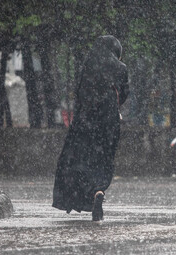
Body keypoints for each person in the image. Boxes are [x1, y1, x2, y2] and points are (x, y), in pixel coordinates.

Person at [52, 35, 129, 221]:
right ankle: (99, 190)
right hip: (109, 121)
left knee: (82, 158)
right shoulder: (121, 68)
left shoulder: (88, 65)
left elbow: (79, 92)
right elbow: (124, 93)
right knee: (104, 157)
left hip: (85, 121)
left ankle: (87, 193)